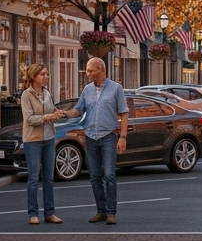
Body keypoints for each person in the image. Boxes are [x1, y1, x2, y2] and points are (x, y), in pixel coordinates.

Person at [55, 57, 128, 225]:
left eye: (90, 70)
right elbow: (78, 111)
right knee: (94, 176)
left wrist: (123, 137)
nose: (87, 73)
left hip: (108, 136)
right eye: (87, 70)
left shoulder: (116, 89)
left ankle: (111, 212)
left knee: (109, 174)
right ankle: (101, 211)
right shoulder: (87, 90)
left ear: (100, 70)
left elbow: (124, 113)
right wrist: (63, 113)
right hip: (90, 137)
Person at [20, 64, 62, 225]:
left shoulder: (47, 93)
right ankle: (33, 213)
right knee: (33, 177)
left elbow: (51, 109)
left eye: (47, 74)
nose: (46, 77)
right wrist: (47, 117)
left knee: (49, 178)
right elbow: (29, 119)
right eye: (42, 74)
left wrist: (56, 113)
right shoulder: (26, 95)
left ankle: (50, 213)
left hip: (49, 138)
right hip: (33, 140)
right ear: (34, 76)